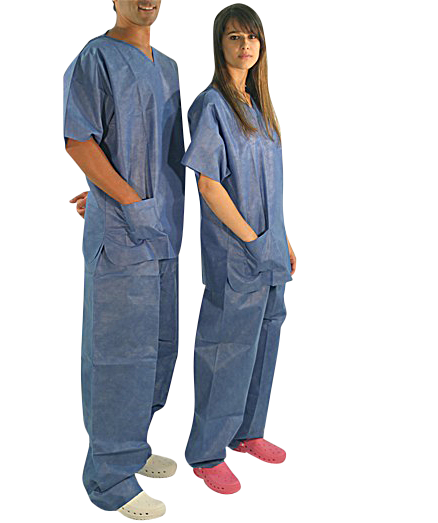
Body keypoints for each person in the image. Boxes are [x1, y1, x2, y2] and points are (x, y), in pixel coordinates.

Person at [63, 0, 187, 518]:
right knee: (118, 351)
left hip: (164, 225)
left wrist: (114, 191)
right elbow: (78, 140)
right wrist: (126, 199)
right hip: (124, 230)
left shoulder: (170, 66)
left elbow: (153, 148)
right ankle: (109, 477)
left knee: (159, 344)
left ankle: (132, 447)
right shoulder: (97, 58)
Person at [180, 3, 296, 495]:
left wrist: (282, 239)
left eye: (252, 37)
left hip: (270, 250)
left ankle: (247, 433)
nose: (245, 45)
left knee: (265, 342)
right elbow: (209, 184)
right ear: (219, 44)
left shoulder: (260, 105)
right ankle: (206, 453)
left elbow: (270, 183)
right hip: (237, 251)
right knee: (226, 350)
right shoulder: (213, 106)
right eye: (234, 37)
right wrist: (251, 239)